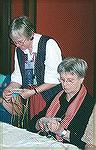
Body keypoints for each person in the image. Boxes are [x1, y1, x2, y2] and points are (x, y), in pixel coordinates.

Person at [2, 16, 62, 128]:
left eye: (20, 41)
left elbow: (56, 79)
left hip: (51, 96)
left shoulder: (48, 45)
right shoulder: (19, 50)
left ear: (31, 34)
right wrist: (8, 89)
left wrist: (34, 91)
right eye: (14, 42)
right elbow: (18, 77)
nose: (17, 45)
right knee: (34, 129)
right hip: (31, 98)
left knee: (48, 131)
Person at [35, 57, 95, 150]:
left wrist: (61, 131)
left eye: (70, 80)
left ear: (81, 79)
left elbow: (86, 143)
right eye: (62, 80)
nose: (65, 84)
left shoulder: (89, 105)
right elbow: (34, 122)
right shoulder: (58, 97)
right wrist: (40, 123)